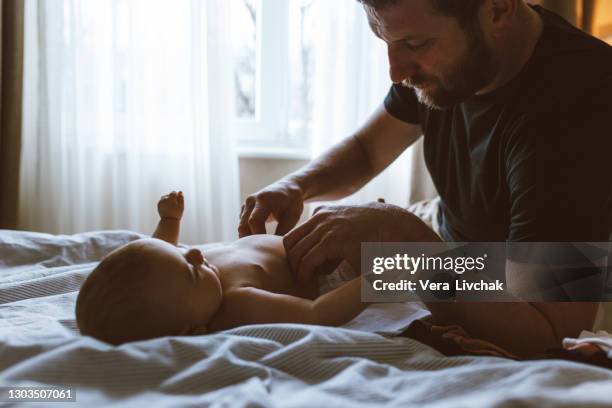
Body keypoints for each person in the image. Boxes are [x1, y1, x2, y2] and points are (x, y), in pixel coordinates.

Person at [238, 0, 612, 357]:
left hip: (532, 292)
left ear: (497, 9)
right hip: (452, 248)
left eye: (415, 44)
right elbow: (368, 150)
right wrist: (296, 186)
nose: (396, 72)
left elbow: (547, 331)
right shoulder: (453, 63)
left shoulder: (578, 104)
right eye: (388, 43)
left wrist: (406, 239)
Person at [76, 192, 367, 345]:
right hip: (335, 270)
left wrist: (169, 221)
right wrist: (377, 280)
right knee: (407, 262)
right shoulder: (236, 303)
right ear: (191, 331)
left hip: (311, 239)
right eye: (190, 272)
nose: (194, 254)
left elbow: (160, 252)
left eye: (180, 254)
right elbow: (317, 314)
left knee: (360, 219)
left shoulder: (173, 281)